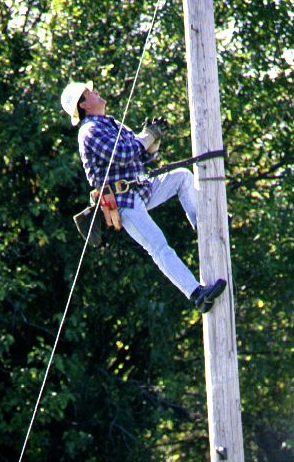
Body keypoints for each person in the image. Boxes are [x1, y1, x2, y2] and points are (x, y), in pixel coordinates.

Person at [61, 80, 226, 313]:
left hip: (140, 189)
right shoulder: (89, 131)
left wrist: (153, 141)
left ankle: (204, 227)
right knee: (158, 246)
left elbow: (143, 158)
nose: (97, 92)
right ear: (83, 104)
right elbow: (123, 154)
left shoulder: (111, 123)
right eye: (90, 92)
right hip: (122, 202)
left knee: (182, 177)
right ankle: (197, 295)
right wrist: (147, 137)